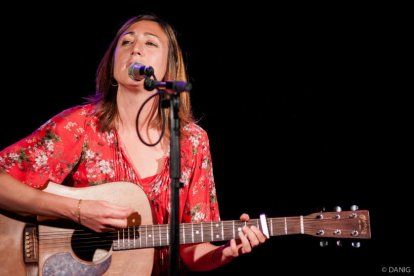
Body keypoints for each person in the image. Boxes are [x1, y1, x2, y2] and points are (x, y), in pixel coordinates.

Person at [0, 14, 266, 275]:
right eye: (126, 42)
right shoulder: (80, 125)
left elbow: (191, 251)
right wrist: (78, 211)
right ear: (113, 66)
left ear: (168, 68)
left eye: (150, 43)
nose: (136, 48)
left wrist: (225, 253)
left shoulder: (192, 141)